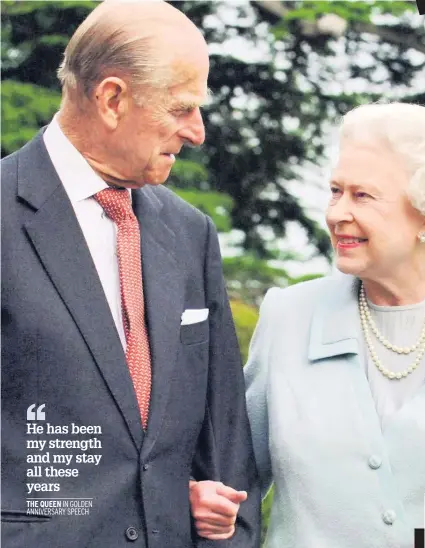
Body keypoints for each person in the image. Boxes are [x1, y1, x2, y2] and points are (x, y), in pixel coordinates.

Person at [1, 2, 260, 547]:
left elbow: (226, 450)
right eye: (182, 108)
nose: (197, 132)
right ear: (112, 99)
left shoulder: (191, 233)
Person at [189, 103, 425, 547]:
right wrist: (200, 496)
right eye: (336, 191)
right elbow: (231, 477)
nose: (337, 213)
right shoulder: (289, 318)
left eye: (363, 196)